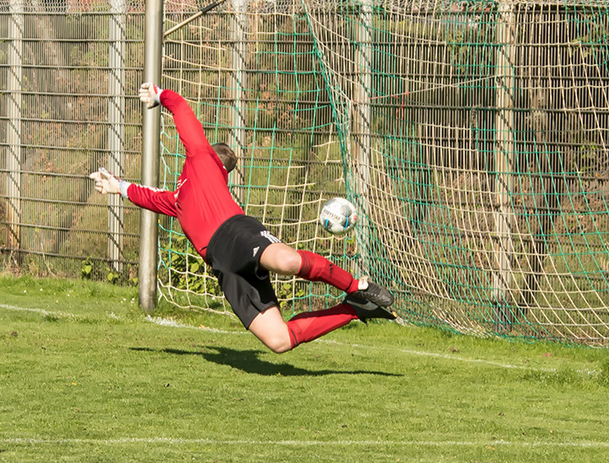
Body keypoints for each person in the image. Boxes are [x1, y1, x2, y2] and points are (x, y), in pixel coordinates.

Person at [93, 82, 394, 353]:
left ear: (214, 161)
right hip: (225, 267)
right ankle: (354, 308)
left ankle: (357, 286)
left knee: (288, 262)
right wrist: (116, 186)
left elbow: (182, 109)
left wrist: (162, 95)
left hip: (235, 234)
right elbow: (146, 196)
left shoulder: (202, 161)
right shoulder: (177, 199)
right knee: (279, 341)